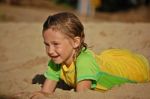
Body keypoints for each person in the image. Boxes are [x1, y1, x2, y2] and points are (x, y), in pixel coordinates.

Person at [30, 12, 150, 98]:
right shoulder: (56, 60)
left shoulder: (84, 62)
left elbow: (82, 94)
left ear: (76, 42)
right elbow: (46, 91)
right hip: (104, 61)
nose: (50, 50)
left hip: (133, 69)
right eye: (47, 44)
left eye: (56, 44)